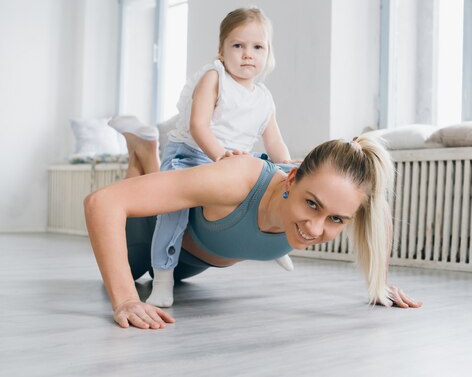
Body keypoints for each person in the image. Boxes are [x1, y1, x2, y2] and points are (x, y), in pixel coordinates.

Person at [84, 132, 422, 330]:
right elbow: (101, 203)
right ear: (291, 178)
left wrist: (381, 283)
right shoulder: (238, 180)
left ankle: (145, 160)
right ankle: (143, 154)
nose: (315, 228)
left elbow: (380, 218)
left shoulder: (340, 198)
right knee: (131, 250)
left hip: (190, 266)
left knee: (172, 191)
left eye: (337, 220)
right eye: (312, 205)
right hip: (148, 239)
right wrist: (127, 300)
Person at [108, 7, 294, 308]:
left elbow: (276, 144)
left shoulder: (263, 98)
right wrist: (220, 156)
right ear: (221, 51)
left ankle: (272, 242)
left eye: (257, 47)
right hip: (192, 154)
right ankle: (164, 276)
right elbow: (199, 125)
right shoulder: (214, 77)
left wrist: (290, 171)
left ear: (268, 53)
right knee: (174, 211)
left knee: (269, 175)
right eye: (238, 45)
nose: (248, 54)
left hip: (232, 163)